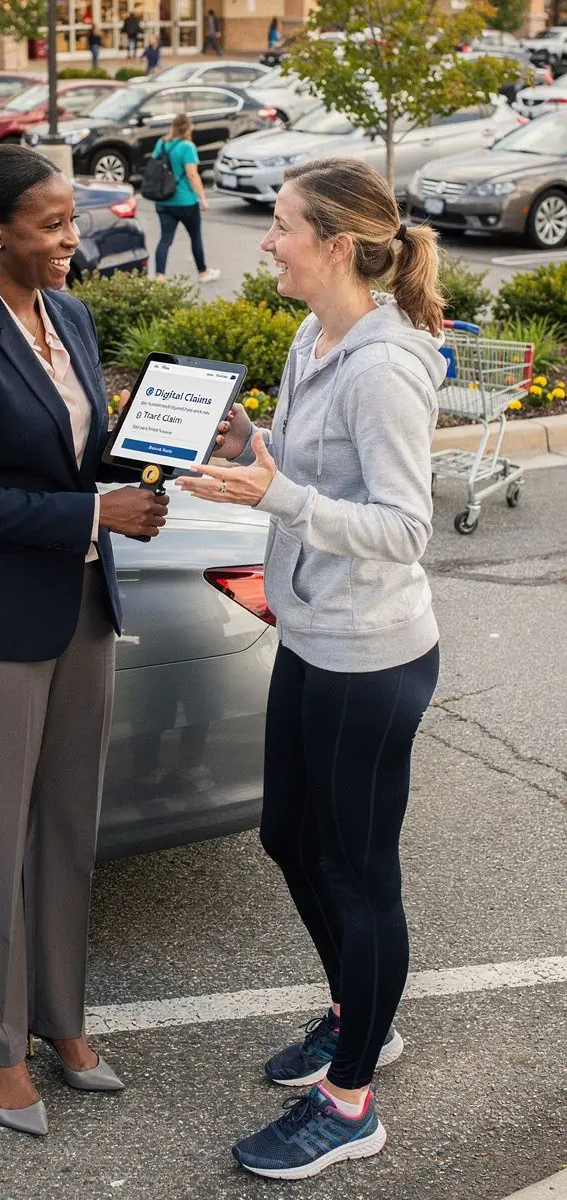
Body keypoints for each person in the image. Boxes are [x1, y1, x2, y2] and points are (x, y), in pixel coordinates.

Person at [177, 155, 447, 1182]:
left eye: (283, 224)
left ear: (335, 242)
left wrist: (276, 500)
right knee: (288, 836)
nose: (268, 238)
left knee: (357, 872)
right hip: (311, 632)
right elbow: (308, 464)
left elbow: (405, 528)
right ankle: (358, 1017)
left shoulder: (383, 366)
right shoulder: (312, 333)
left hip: (371, 657)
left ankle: (351, 1100)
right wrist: (261, 445)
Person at [0, 146, 168, 1137]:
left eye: (71, 222)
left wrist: (156, 444)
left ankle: (61, 1022)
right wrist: (96, 514)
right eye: (52, 226)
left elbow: (76, 457)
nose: (72, 241)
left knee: (66, 830)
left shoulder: (73, 317)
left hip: (81, 610)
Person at [152, 113, 220, 285]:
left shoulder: (161, 144)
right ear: (188, 128)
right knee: (195, 237)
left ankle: (160, 276)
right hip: (185, 201)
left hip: (163, 200)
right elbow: (192, 174)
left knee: (165, 239)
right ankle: (203, 272)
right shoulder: (187, 147)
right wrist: (203, 198)